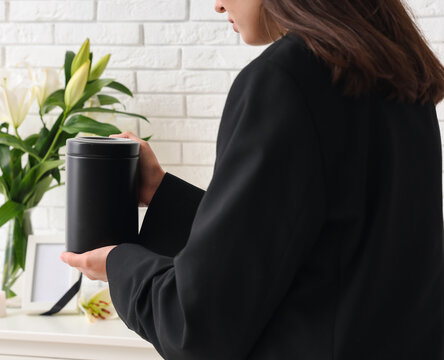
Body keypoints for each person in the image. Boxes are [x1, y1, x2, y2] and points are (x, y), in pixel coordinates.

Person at [61, 0, 444, 358]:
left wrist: (118, 264)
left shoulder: (283, 80)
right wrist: (164, 194)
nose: (217, 4)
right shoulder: (393, 73)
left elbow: (197, 327)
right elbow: (313, 248)